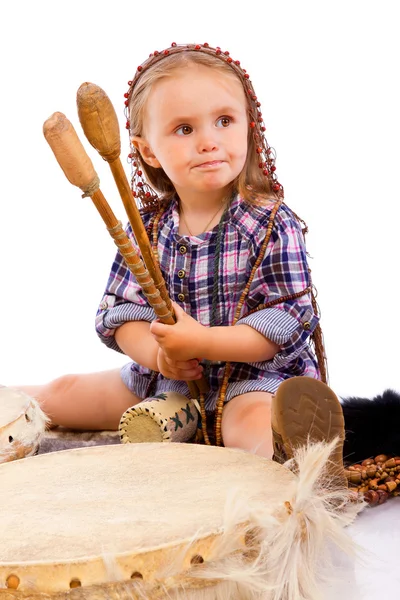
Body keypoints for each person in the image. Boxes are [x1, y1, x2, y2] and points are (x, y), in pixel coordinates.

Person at [9, 43, 348, 470]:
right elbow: (122, 312)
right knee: (62, 390)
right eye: (184, 129)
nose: (209, 142)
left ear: (249, 127)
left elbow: (285, 323)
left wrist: (203, 342)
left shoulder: (269, 224)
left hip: (251, 380)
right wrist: (160, 356)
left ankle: (306, 462)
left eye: (224, 121)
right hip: (166, 379)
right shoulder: (147, 228)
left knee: (250, 428)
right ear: (148, 150)